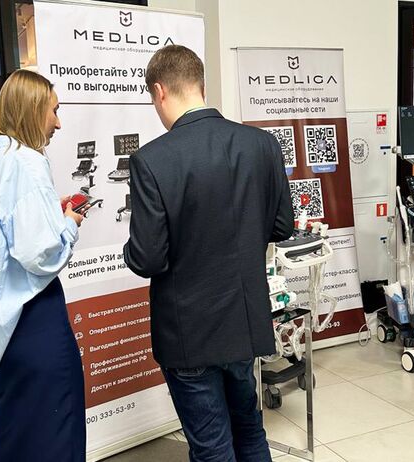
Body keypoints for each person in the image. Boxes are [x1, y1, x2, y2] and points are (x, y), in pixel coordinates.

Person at [123, 45, 294, 462]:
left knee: (211, 446)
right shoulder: (262, 144)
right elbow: (282, 227)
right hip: (245, 323)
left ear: (159, 91)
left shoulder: (151, 160)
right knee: (249, 430)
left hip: (189, 333)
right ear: (200, 85)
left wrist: (131, 247)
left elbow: (147, 259)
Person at [0, 69, 87, 461]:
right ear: (32, 110)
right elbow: (41, 254)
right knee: (55, 435)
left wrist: (48, 213)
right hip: (33, 318)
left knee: (13, 433)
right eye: (54, 111)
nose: (58, 123)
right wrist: (68, 224)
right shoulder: (27, 161)